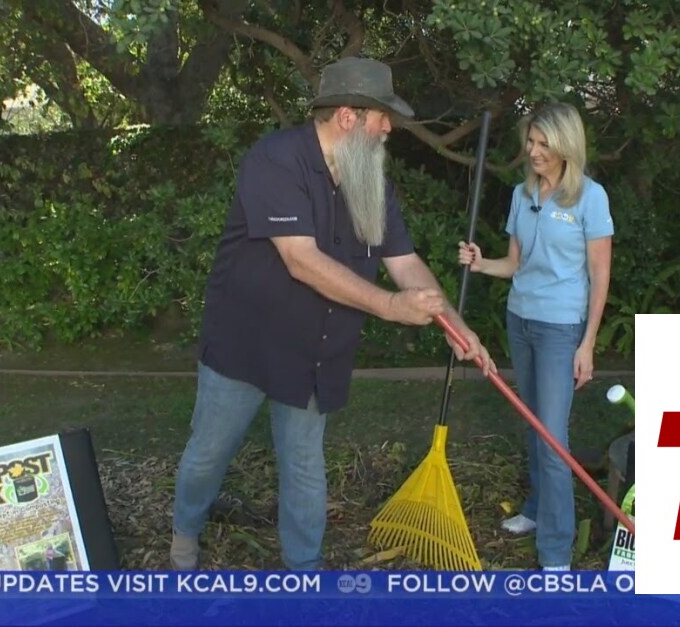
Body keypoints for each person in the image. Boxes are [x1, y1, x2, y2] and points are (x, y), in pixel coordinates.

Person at [169, 56, 497, 571]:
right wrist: (390, 306)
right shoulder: (275, 161)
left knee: (303, 464)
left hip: (312, 350)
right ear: (348, 116)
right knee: (209, 453)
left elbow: (404, 262)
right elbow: (301, 260)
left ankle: (305, 571)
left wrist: (455, 325)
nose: (389, 127)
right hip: (244, 343)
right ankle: (184, 534)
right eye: (382, 116)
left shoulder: (372, 182)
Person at [457, 102, 613, 570]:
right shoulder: (522, 194)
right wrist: (481, 263)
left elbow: (600, 276)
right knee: (533, 422)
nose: (534, 151)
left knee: (552, 437)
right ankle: (538, 507)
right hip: (520, 319)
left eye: (545, 143)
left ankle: (556, 550)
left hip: (560, 327)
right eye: (531, 141)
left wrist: (588, 343)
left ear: (566, 146)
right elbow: (515, 263)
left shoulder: (590, 197)